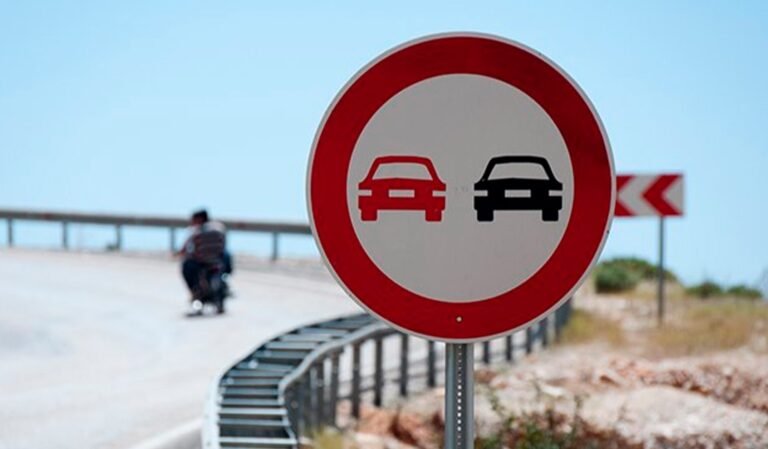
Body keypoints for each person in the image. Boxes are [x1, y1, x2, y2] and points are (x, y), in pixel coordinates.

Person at [178, 209, 233, 302]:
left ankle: (196, 292)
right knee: (227, 255)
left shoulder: (196, 231)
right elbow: (223, 244)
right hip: (219, 260)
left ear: (199, 219)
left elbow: (185, 249)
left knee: (187, 266)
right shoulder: (219, 227)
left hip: (203, 262)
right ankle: (224, 283)